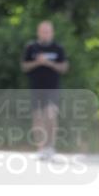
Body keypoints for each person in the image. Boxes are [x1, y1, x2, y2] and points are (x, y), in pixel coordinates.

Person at [21, 21, 69, 159]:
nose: (45, 34)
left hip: (52, 88)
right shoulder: (31, 47)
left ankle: (50, 147)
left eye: (47, 31)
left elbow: (64, 67)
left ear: (52, 32)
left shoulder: (58, 48)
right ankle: (40, 149)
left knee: (50, 116)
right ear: (38, 32)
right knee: (37, 118)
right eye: (43, 31)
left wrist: (48, 63)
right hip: (36, 88)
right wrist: (37, 62)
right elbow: (24, 66)